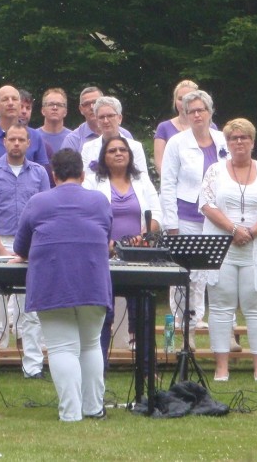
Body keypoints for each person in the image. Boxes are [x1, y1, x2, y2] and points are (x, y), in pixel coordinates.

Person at [12, 149, 113, 422]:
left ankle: (70, 414)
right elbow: (106, 236)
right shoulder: (100, 200)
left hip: (52, 281)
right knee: (91, 344)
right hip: (93, 281)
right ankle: (93, 409)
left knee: (61, 348)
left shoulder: (37, 201)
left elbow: (20, 247)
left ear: (53, 176)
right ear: (82, 174)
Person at [200, 118, 257, 382]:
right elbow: (207, 204)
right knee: (221, 306)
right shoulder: (215, 170)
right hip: (223, 246)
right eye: (233, 138)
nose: (239, 142)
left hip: (256, 248)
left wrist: (252, 232)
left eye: (243, 138)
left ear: (252, 142)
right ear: (227, 143)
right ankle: (221, 366)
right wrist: (234, 229)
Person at [0, 124, 51, 380]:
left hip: (30, 244)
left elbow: (44, 215)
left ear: (29, 143)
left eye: (21, 140)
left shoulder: (40, 173)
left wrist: (28, 249)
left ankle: (33, 365)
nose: (16, 143)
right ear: (4, 142)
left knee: (30, 307)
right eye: (12, 139)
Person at [82, 135, 160, 364]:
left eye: (122, 150)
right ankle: (98, 369)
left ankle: (147, 370)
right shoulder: (92, 181)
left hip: (138, 255)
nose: (118, 153)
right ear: (103, 157)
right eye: (112, 150)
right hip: (104, 255)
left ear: (130, 154)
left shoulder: (143, 180)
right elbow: (86, 215)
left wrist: (143, 237)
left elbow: (156, 213)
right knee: (103, 316)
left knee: (144, 315)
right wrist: (105, 243)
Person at [158, 89, 226, 348]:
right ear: (185, 114)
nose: (197, 115)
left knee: (208, 271)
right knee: (184, 272)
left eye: (201, 110)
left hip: (216, 216)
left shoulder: (222, 140)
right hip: (185, 212)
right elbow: (168, 183)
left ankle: (201, 319)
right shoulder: (177, 142)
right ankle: (180, 325)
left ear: (210, 112)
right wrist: (171, 224)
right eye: (192, 111)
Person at [79, 96, 148, 182]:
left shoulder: (135, 147)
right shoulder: (87, 148)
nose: (106, 121)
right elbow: (85, 181)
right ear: (97, 121)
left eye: (110, 116)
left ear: (119, 118)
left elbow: (143, 179)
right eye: (101, 117)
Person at [61, 86, 133, 152]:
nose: (92, 107)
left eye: (96, 102)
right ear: (81, 109)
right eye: (87, 104)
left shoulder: (125, 134)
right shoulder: (73, 140)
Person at [152, 79, 199, 175]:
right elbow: (159, 163)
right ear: (174, 101)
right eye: (180, 99)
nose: (184, 103)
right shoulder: (164, 127)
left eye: (189, 99)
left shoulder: (209, 127)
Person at [38, 88, 71, 154]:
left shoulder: (72, 138)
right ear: (43, 110)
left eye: (59, 105)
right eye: (50, 104)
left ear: (65, 112)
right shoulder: (34, 136)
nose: (55, 108)